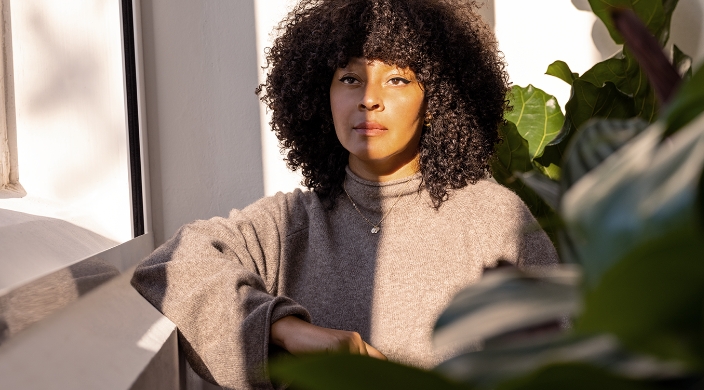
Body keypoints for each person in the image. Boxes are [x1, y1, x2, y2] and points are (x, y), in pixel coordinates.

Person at [131, 0, 558, 389]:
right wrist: (288, 329)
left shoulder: (491, 218)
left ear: (435, 100)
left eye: (396, 78)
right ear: (323, 96)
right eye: (350, 78)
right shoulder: (291, 223)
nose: (370, 99)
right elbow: (165, 268)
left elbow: (557, 358)